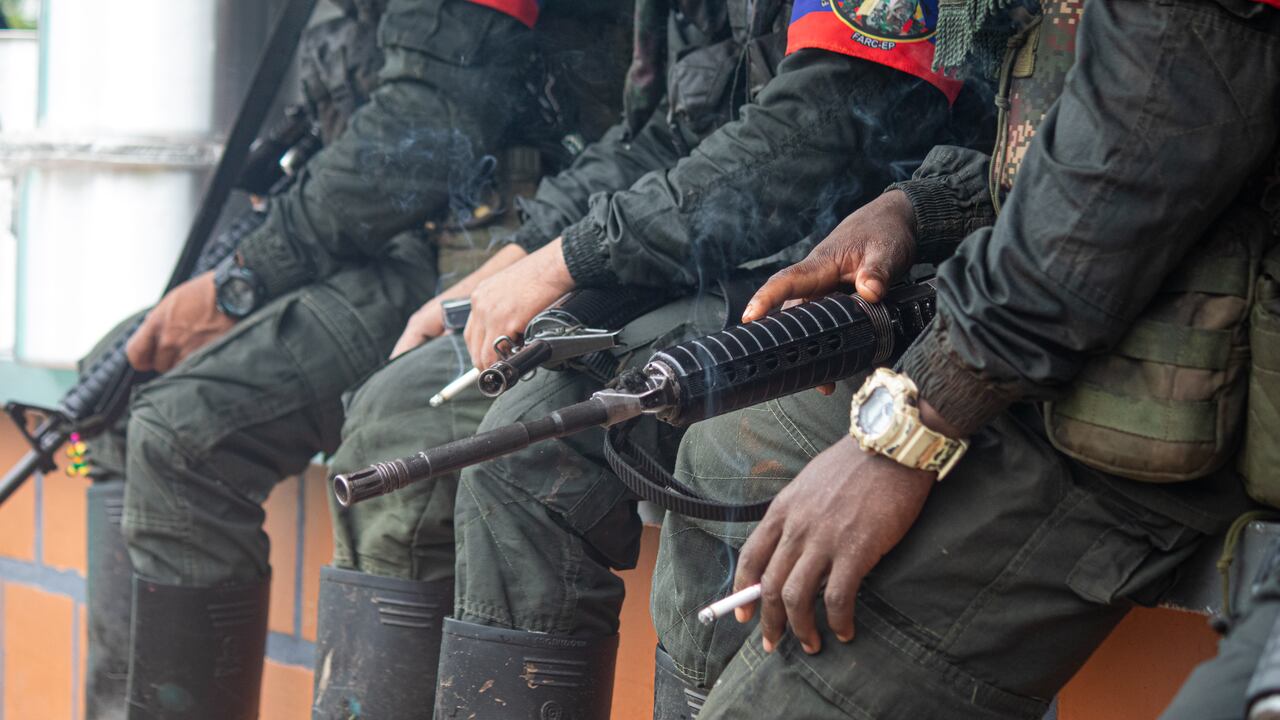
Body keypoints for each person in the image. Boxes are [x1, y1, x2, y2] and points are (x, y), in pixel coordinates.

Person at [339, 0, 985, 714]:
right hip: (702, 263)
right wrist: (527, 257)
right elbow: (664, 137)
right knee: (411, 419)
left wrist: (570, 259)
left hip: (871, 283)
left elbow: (818, 133)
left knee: (541, 453)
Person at [645, 0, 1280, 716]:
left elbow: (1131, 162)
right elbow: (1055, 127)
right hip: (1047, 349)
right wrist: (920, 206)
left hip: (1156, 401)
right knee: (727, 447)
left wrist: (903, 437)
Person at [80, 1, 631, 717]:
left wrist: (245, 277)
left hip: (482, 247)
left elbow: (425, 126)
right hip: (393, 246)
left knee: (190, 432)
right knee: (121, 385)